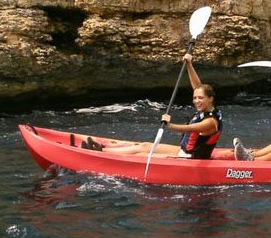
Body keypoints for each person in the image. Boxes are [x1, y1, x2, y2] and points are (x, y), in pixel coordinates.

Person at [85, 54, 223, 159]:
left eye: (201, 98)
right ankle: (102, 151)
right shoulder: (206, 109)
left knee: (141, 154)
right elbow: (197, 86)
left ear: (211, 99)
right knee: (145, 145)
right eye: (195, 98)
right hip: (184, 151)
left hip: (190, 158)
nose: (197, 101)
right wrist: (189, 64)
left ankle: (102, 156)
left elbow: (189, 128)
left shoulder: (211, 122)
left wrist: (169, 125)